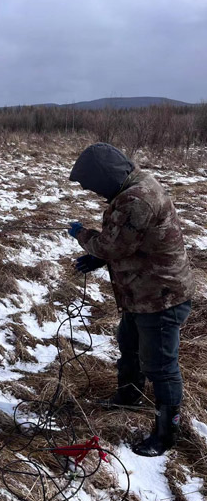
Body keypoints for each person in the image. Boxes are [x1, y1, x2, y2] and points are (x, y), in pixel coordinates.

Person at [68, 142, 194, 457]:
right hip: (142, 293)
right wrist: (99, 259)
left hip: (160, 298)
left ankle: (167, 433)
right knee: (129, 344)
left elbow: (113, 246)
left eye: (92, 185)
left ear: (105, 178)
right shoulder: (135, 187)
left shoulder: (136, 199)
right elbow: (130, 242)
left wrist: (83, 236)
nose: (93, 192)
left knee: (160, 365)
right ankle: (129, 396)